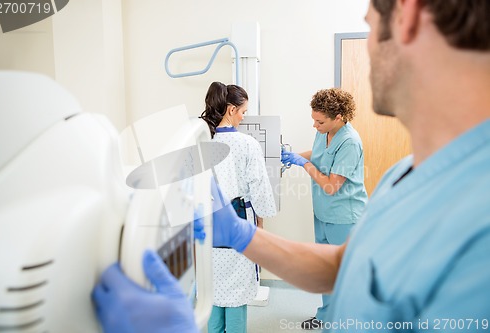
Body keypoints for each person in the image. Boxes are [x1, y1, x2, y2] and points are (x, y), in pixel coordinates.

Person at [92, 0, 490, 332]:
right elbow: (341, 265)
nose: (368, 45)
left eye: (369, 27)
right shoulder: (403, 177)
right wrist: (243, 235)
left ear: (409, 17)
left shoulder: (477, 218)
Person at [281, 88, 367, 329]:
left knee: (344, 274)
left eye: (319, 121)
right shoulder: (324, 132)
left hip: (344, 217)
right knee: (326, 270)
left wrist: (304, 164)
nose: (315, 126)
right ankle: (326, 316)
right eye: (314, 120)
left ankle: (349, 321)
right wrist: (292, 156)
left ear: (338, 117)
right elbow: (317, 154)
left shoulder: (350, 142)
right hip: (322, 213)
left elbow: (331, 186)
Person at [199, 82, 277, 333]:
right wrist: (262, 221)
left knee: (211, 289)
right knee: (235, 290)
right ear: (231, 110)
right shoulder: (246, 144)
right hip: (238, 221)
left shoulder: (201, 141)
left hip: (207, 225)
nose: (243, 117)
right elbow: (260, 186)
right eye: (243, 111)